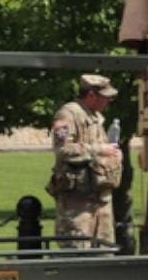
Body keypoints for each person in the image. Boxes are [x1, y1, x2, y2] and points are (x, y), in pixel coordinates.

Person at [47, 73, 123, 249]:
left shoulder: (95, 117)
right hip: (78, 201)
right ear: (91, 95)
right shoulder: (68, 115)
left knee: (104, 249)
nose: (109, 101)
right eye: (106, 97)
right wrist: (98, 150)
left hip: (100, 197)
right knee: (76, 249)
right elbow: (63, 149)